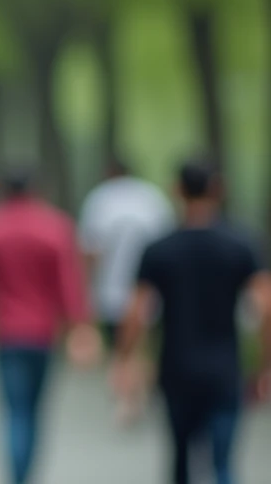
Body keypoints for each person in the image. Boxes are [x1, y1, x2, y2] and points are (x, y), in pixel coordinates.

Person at [114, 162, 271, 484]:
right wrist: (265, 364)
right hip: (225, 368)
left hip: (177, 367)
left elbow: (136, 312)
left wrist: (126, 359)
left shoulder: (159, 248)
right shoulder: (241, 244)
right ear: (218, 190)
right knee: (223, 463)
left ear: (178, 191)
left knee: (181, 460)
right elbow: (265, 307)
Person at [0, 171, 99, 484]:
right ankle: (27, 475)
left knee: (15, 411)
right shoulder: (56, 227)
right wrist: (81, 328)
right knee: (35, 411)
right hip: (44, 334)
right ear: (37, 189)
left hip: (6, 334)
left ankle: (16, 477)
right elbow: (70, 284)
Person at [78, 159, 173, 423]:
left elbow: (91, 250)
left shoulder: (100, 199)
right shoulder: (152, 198)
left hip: (111, 288)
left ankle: (126, 398)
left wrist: (86, 286)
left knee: (120, 346)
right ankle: (137, 393)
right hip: (150, 289)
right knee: (142, 344)